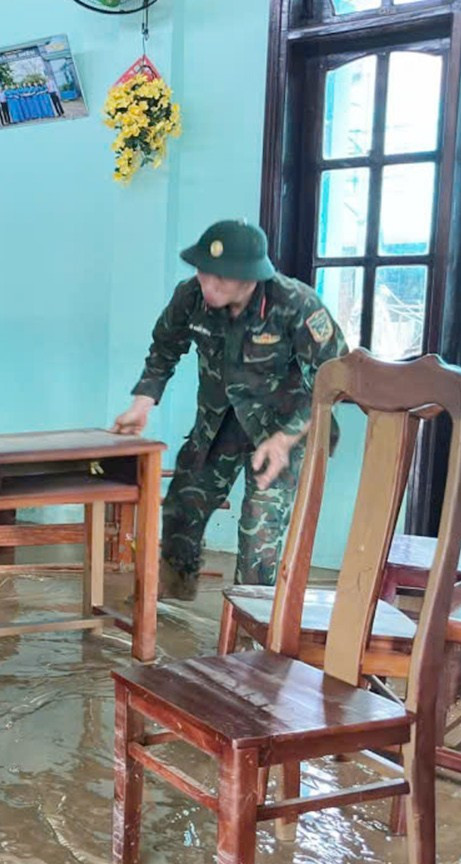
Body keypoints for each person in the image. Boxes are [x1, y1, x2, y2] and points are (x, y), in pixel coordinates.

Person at [111, 220, 348, 600]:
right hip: (217, 425)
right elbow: (164, 347)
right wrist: (143, 402)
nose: (209, 285)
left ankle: (249, 629)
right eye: (204, 273)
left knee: (259, 528)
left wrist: (287, 439)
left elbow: (334, 377)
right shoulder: (190, 297)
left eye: (221, 278)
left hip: (282, 430)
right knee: (181, 511)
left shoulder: (295, 304)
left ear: (250, 277)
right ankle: (166, 608)